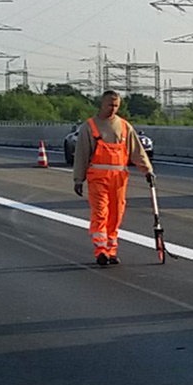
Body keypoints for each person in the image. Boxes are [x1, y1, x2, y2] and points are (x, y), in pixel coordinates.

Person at [71, 91, 154, 265]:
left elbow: (136, 151)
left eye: (116, 105)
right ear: (102, 104)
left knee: (116, 214)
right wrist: (79, 179)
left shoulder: (124, 126)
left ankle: (111, 250)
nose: (113, 108)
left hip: (119, 178)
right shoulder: (90, 127)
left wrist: (147, 170)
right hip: (98, 177)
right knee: (101, 212)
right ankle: (100, 250)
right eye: (110, 105)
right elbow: (81, 155)